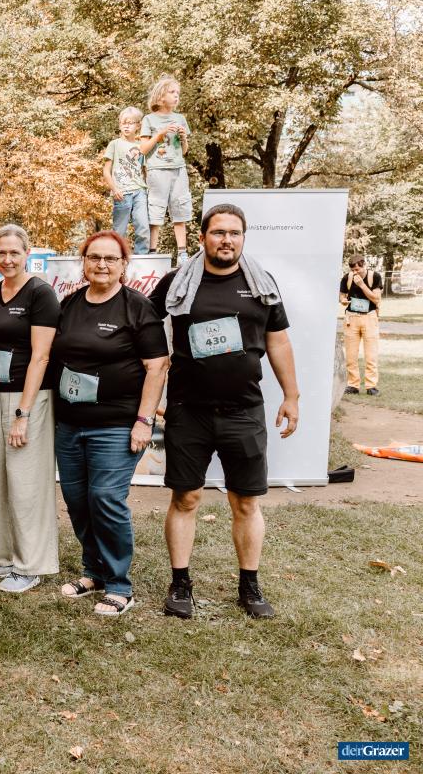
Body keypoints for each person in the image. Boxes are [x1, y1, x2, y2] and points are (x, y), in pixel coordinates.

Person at [150, 204, 299, 620]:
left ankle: (249, 586)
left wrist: (292, 396)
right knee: (186, 497)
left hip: (244, 410)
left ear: (243, 238)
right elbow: (144, 326)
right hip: (188, 410)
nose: (226, 240)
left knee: (246, 502)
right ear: (202, 238)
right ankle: (180, 584)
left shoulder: (261, 284)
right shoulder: (177, 282)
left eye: (235, 233)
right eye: (218, 232)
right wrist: (151, 382)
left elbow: (279, 341)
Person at [49, 230, 169, 616]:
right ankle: (93, 572)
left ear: (123, 264)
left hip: (116, 425)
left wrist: (144, 421)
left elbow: (157, 367)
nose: (102, 264)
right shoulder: (69, 304)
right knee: (78, 500)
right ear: (83, 262)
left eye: (110, 259)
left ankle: (119, 585)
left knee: (105, 498)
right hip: (70, 424)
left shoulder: (137, 308)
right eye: (94, 257)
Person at [0, 225, 61, 594]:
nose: (7, 259)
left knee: (26, 483)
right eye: (1, 253)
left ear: (27, 254)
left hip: (27, 397)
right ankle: (5, 557)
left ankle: (31, 565)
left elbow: (41, 356)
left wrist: (23, 414)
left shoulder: (41, 293)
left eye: (14, 252)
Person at [139, 75, 192, 264]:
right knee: (155, 210)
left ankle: (182, 254)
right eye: (172, 92)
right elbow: (143, 149)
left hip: (178, 170)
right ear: (161, 96)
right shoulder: (149, 119)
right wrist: (160, 134)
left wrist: (183, 138)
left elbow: (184, 151)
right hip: (157, 170)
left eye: (178, 93)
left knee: (180, 209)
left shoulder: (180, 118)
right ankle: (152, 253)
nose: (176, 96)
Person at [102, 107, 151, 254]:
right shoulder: (114, 144)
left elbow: (145, 170)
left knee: (143, 227)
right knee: (119, 230)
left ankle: (141, 257)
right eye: (123, 123)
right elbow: (106, 171)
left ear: (138, 126)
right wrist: (114, 189)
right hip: (121, 193)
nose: (126, 126)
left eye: (130, 123)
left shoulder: (141, 147)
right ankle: (115, 256)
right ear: (119, 125)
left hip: (140, 192)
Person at [340, 255, 382, 396]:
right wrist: (343, 300)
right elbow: (342, 295)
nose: (355, 272)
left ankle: (371, 386)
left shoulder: (374, 277)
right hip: (351, 318)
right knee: (351, 355)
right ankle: (353, 385)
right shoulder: (347, 277)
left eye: (357, 269)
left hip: (369, 317)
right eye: (353, 270)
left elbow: (376, 299)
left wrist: (362, 285)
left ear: (364, 265)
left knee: (371, 354)